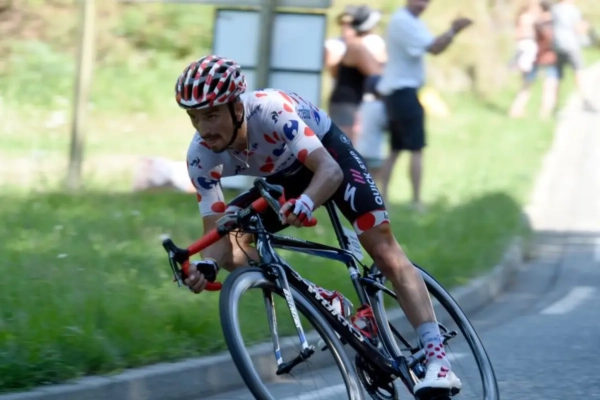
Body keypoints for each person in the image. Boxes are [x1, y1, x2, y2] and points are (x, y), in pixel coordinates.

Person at [177, 55, 462, 397]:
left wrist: (307, 202)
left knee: (384, 249)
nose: (204, 129)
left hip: (327, 157)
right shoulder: (200, 156)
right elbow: (214, 231)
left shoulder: (270, 110)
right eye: (194, 117)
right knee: (230, 240)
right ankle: (323, 299)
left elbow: (330, 172)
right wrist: (207, 265)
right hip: (283, 178)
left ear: (237, 108)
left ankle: (437, 359)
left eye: (211, 115)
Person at [377, 0, 473, 211]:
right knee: (416, 148)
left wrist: (452, 33)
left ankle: (383, 197)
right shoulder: (403, 21)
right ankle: (416, 201)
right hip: (403, 91)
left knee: (396, 148)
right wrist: (453, 31)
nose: (424, 5)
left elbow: (434, 46)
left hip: (398, 92)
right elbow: (434, 47)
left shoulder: (411, 21)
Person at [325, 5, 384, 144]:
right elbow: (376, 73)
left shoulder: (354, 45)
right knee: (344, 147)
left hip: (348, 103)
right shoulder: (357, 47)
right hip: (346, 104)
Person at [509, 0, 560, 119]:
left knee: (526, 84)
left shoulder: (536, 21)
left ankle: (517, 108)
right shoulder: (551, 22)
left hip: (536, 57)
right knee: (549, 85)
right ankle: (544, 113)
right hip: (547, 57)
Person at [551, 0, 597, 112]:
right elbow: (577, 28)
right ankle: (584, 100)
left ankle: (554, 104)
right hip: (571, 44)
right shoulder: (573, 10)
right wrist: (586, 27)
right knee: (579, 72)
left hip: (557, 44)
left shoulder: (555, 9)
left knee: (557, 75)